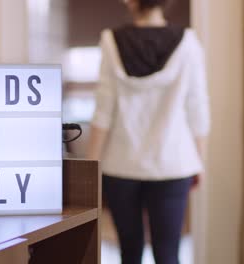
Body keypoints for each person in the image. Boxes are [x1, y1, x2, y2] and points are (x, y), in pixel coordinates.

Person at [86, 0, 210, 263]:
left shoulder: (111, 41)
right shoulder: (188, 42)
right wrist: (199, 163)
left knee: (129, 252)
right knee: (168, 254)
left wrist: (89, 172)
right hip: (173, 164)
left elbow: (103, 114)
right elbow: (198, 110)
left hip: (120, 165)